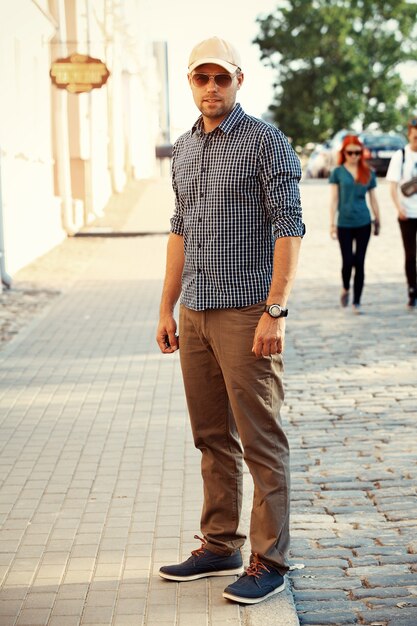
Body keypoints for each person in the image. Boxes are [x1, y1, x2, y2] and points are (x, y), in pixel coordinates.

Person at [155, 36, 304, 605]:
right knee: (211, 436)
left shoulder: (266, 142)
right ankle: (220, 544)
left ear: (240, 80)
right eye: (201, 78)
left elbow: (290, 228)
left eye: (222, 78)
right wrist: (166, 307)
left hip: (248, 313)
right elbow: (179, 232)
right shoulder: (185, 147)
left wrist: (275, 311)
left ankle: (271, 558)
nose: (211, 88)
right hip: (194, 312)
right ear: (190, 84)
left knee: (261, 439)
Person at [329, 134, 381, 313]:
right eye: (350, 152)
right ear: (344, 152)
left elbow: (374, 199)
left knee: (359, 261)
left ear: (361, 153)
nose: (354, 156)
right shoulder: (338, 172)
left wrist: (378, 219)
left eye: (357, 152)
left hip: (363, 222)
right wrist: (332, 223)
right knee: (347, 261)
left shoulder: (368, 172)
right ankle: (345, 287)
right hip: (344, 223)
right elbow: (334, 199)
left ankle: (357, 301)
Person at [386, 117, 417, 308]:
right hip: (407, 214)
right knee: (410, 255)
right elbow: (392, 186)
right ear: (410, 135)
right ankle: (412, 290)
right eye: (415, 137)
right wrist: (399, 208)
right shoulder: (401, 155)